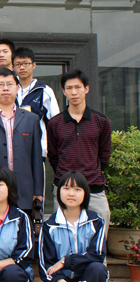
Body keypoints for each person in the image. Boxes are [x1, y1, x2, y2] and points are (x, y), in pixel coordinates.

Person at [47, 69, 112, 234]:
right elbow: (53, 156)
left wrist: (95, 171)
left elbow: (105, 153)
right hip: (64, 188)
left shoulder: (101, 121)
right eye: (69, 88)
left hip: (94, 187)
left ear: (86, 89)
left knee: (99, 236)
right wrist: (64, 176)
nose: (74, 92)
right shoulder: (55, 123)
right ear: (63, 91)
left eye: (78, 87)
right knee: (63, 236)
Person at [0, 68, 44, 212]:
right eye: (0, 84)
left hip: (24, 190)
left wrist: (38, 191)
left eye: (10, 84)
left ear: (17, 88)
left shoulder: (31, 119)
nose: (5, 88)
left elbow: (36, 158)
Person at [39, 171, 108, 282]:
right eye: (66, 188)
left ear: (85, 193)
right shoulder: (49, 225)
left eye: (77, 189)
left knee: (97, 268)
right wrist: (59, 280)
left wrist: (66, 261)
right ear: (59, 192)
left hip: (87, 277)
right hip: (61, 279)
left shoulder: (95, 221)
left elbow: (97, 254)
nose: (71, 193)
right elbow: (46, 263)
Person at [13, 47, 60, 157]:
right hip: (12, 150)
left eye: (26, 63)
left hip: (37, 150)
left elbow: (55, 123)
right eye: (18, 64)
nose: (22, 67)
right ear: (13, 67)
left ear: (34, 65)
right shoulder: (9, 90)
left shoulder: (44, 91)